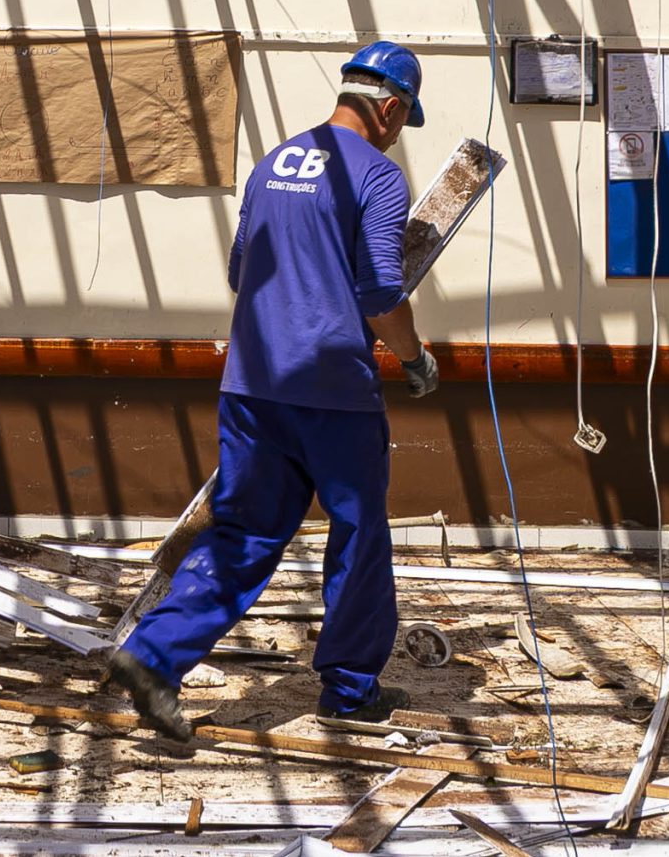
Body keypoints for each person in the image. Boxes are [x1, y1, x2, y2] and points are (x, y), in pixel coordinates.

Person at [106, 41, 441, 739]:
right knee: (357, 535)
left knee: (244, 529)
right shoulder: (377, 176)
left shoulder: (271, 165)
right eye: (400, 122)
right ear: (389, 108)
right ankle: (349, 690)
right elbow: (381, 289)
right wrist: (413, 357)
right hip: (332, 393)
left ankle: (153, 657)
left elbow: (241, 271)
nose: (396, 135)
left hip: (252, 385)